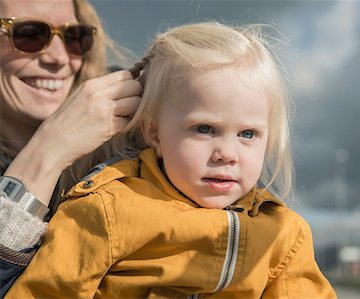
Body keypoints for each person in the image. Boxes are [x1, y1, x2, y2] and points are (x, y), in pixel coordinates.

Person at [6, 22, 336, 298]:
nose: (227, 153)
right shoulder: (106, 211)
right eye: (204, 129)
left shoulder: (285, 233)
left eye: (248, 134)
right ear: (155, 134)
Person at [0, 0, 142, 295]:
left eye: (74, 37)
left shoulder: (140, 135)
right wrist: (48, 150)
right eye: (28, 33)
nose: (59, 58)